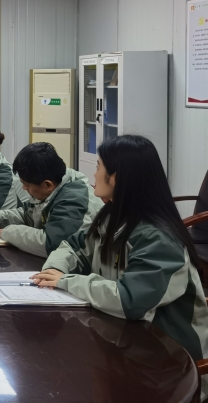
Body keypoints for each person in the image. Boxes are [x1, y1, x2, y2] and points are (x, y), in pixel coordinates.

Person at [32, 134, 208, 398]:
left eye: (98, 166)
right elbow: (74, 245)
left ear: (115, 178)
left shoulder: (158, 239)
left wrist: (66, 281)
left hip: (168, 366)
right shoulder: (113, 216)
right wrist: (54, 270)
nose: (94, 174)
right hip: (124, 346)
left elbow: (129, 300)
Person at [0, 142, 103, 257]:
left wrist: (9, 232)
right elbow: (28, 214)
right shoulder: (53, 182)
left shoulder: (73, 199)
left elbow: (52, 244)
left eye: (27, 185)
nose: (24, 188)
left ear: (47, 185)